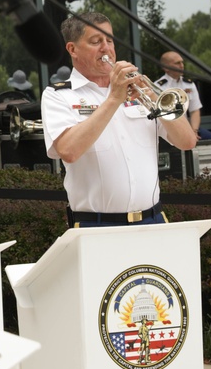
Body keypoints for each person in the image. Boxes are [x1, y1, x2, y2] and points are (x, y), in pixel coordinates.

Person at [41, 12, 197, 228]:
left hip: (153, 220)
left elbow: (187, 141)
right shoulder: (58, 96)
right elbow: (68, 150)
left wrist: (154, 96)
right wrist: (114, 98)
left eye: (110, 40)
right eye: (96, 41)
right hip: (97, 226)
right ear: (72, 49)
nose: (106, 48)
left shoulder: (141, 90)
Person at [154, 50, 211, 141]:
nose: (182, 65)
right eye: (177, 63)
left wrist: (194, 131)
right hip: (169, 130)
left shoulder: (189, 84)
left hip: (189, 128)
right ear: (166, 68)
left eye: (182, 62)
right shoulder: (157, 86)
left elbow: (195, 110)